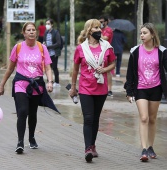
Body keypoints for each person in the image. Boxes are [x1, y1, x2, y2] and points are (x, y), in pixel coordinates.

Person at [0, 22, 54, 154]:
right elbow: (10, 68)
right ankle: (20, 142)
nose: (31, 32)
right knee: (22, 111)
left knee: (32, 113)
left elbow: (48, 67)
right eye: (28, 30)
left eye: (33, 30)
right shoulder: (18, 47)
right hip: (20, 83)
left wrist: (50, 81)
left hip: (36, 84)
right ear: (24, 33)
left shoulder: (42, 48)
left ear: (36, 32)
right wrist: (1, 85)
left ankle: (31, 137)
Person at [69, 19, 116, 162]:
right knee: (88, 118)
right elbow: (75, 69)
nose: (99, 30)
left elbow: (113, 63)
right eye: (96, 27)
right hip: (85, 88)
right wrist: (73, 87)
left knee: (95, 119)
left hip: (101, 88)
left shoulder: (107, 47)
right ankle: (87, 148)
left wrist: (105, 69)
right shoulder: (81, 48)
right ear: (89, 30)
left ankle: (93, 145)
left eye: (100, 27)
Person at [125, 23, 167, 162]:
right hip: (140, 88)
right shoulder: (135, 51)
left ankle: (150, 147)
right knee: (144, 118)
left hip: (156, 88)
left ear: (152, 34)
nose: (142, 36)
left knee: (153, 119)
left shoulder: (161, 51)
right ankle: (143, 149)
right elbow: (130, 72)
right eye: (141, 33)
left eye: (144, 33)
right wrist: (129, 91)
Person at [43, 19, 61, 87]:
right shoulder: (46, 32)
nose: (47, 25)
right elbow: (44, 40)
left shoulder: (56, 32)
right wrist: (44, 44)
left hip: (54, 53)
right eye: (46, 23)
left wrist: (49, 47)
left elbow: (58, 43)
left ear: (52, 25)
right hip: (47, 54)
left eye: (48, 24)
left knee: (54, 68)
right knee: (48, 68)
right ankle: (49, 81)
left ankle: (57, 82)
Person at [99, 15, 114, 97]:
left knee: (108, 71)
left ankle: (109, 89)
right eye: (99, 22)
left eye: (102, 22)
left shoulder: (108, 30)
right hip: (99, 51)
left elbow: (105, 38)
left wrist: (99, 32)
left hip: (107, 51)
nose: (100, 23)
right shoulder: (99, 29)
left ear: (106, 22)